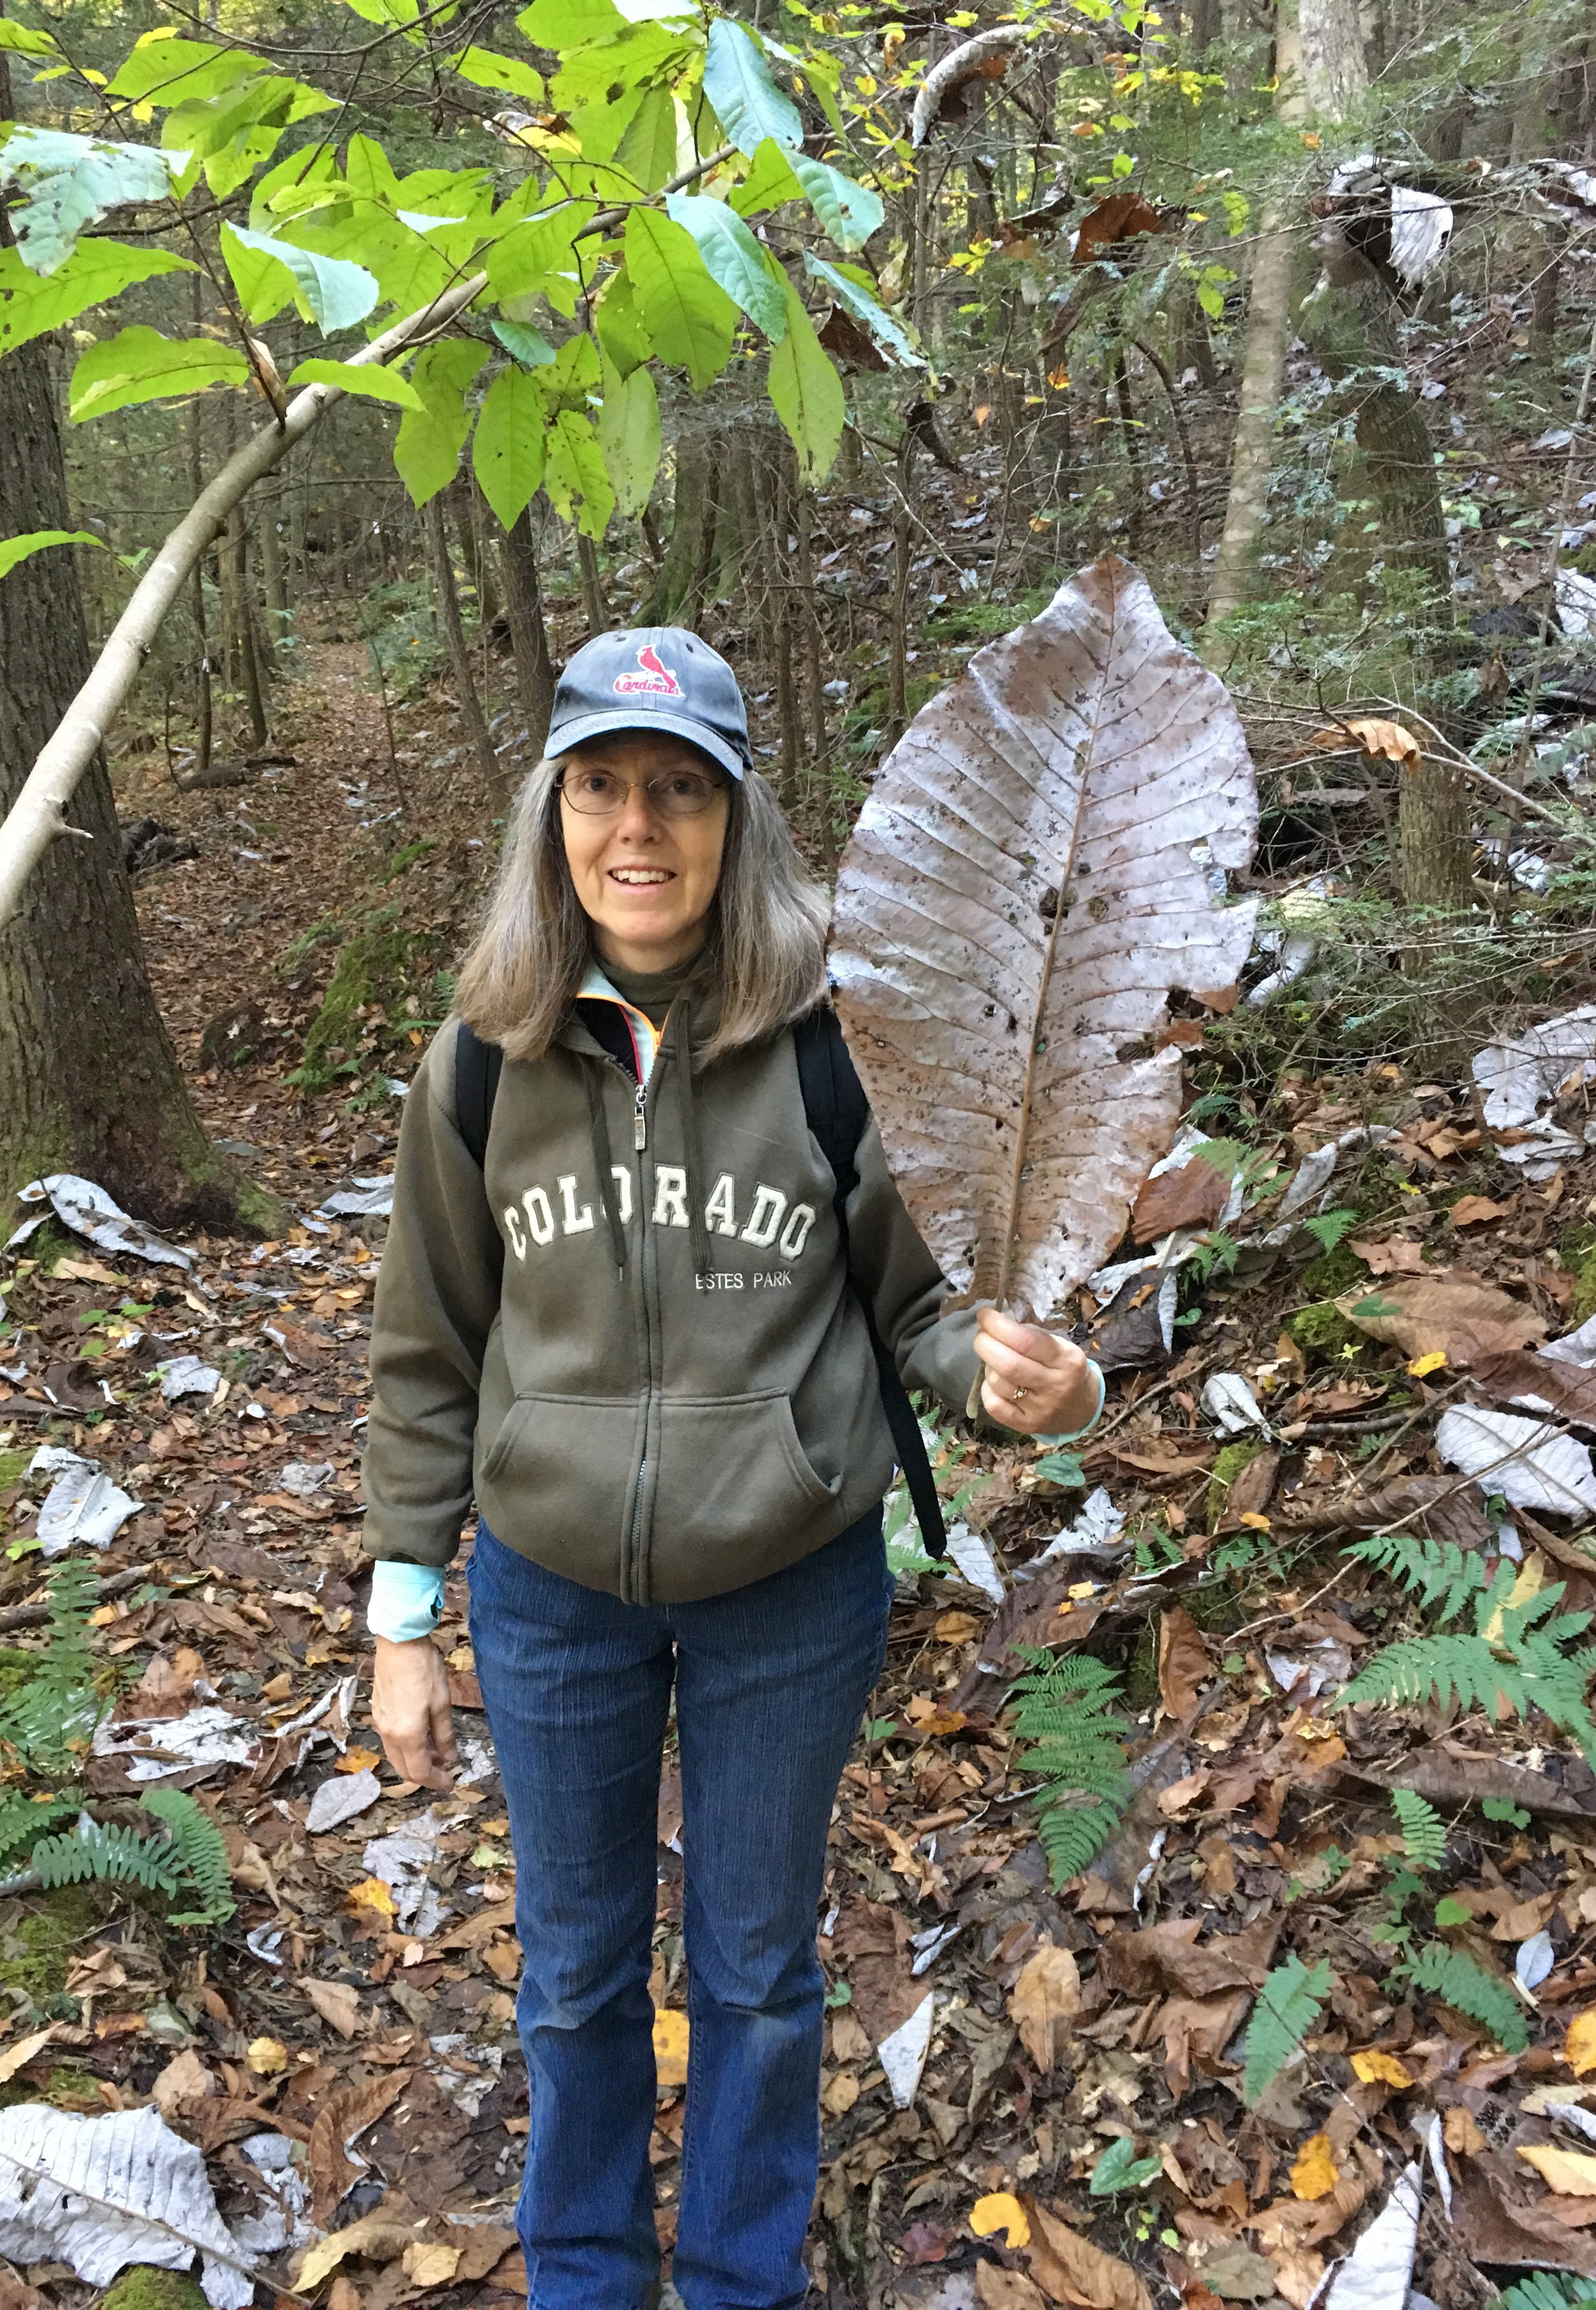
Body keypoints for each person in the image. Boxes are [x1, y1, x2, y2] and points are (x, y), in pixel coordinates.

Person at [362, 625, 1104, 2310]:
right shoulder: (482, 1060)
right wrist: (406, 1612)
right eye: (606, 787)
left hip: (791, 1585)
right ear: (554, 818)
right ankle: (588, 2278)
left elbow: (924, 1314)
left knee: (761, 1969)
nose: (642, 829)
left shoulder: (840, 1049)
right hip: (549, 1596)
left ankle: (741, 2281)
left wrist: (1034, 1391)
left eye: (683, 789)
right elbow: (427, 1355)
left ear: (739, 815)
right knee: (573, 1973)